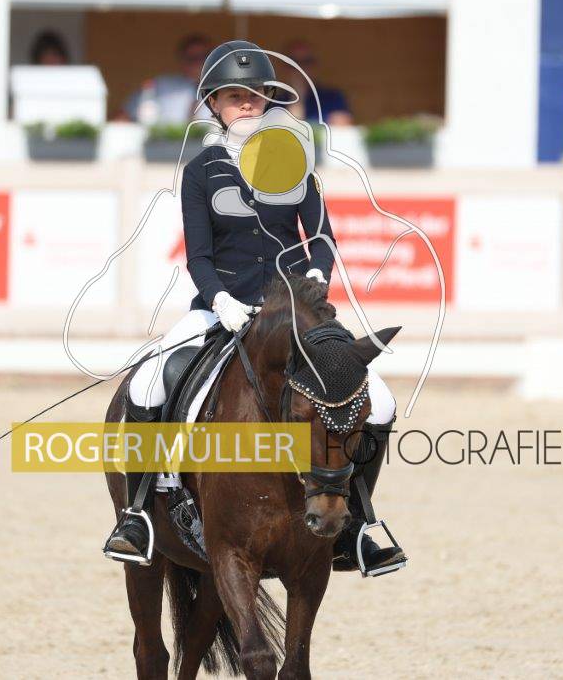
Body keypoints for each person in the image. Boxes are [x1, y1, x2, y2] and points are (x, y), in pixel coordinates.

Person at [103, 39, 405, 574]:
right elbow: (198, 256)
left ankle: (358, 524)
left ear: (268, 101)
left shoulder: (294, 164)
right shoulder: (201, 171)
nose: (246, 103)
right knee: (148, 384)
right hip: (221, 308)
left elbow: (321, 236)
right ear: (213, 104)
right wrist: (220, 299)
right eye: (233, 96)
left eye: (255, 95)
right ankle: (139, 514)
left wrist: (317, 274)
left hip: (294, 316)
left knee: (378, 400)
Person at [121, 33, 213, 125]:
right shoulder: (160, 85)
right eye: (192, 58)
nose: (197, 63)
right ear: (181, 59)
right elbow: (123, 116)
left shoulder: (219, 89)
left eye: (203, 57)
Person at [279, 40, 354, 126]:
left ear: (314, 66)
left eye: (306, 62)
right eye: (293, 63)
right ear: (284, 67)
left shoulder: (332, 97)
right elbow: (287, 130)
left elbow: (342, 127)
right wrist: (297, 97)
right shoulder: (276, 102)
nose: (300, 68)